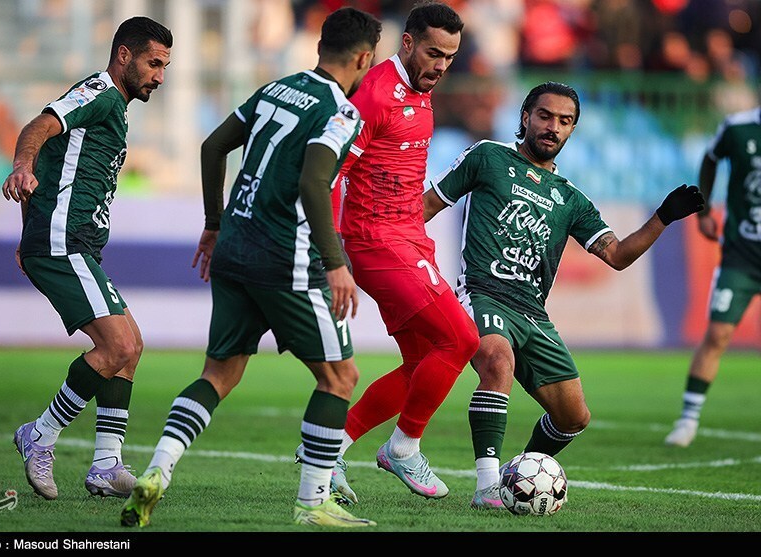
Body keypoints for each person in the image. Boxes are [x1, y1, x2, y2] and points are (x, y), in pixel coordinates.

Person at [119, 7, 382, 529]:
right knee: (340, 376)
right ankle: (313, 503)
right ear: (364, 59)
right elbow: (313, 182)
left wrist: (214, 223)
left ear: (319, 47)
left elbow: (213, 145)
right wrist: (336, 264)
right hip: (285, 260)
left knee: (218, 374)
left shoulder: (275, 90)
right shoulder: (341, 112)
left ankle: (156, 471)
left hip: (234, 249)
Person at [422, 81, 705, 509]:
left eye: (565, 121)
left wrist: (662, 217)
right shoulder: (488, 157)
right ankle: (487, 487)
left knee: (573, 417)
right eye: (545, 116)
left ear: (572, 129)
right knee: (497, 360)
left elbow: (617, 255)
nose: (553, 126)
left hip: (532, 314)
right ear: (525, 117)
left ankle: (518, 475)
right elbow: (427, 206)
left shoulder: (571, 200)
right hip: (482, 294)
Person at [297, 0, 479, 504]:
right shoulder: (374, 95)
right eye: (433, 53)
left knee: (423, 361)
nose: (441, 66)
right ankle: (403, 446)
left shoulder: (422, 91)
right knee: (461, 340)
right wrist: (334, 254)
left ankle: (328, 450)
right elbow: (332, 174)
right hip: (376, 242)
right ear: (407, 43)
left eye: (450, 57)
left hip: (409, 238)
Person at [2, 16, 173, 501]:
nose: (160, 76)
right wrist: (21, 165)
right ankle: (39, 435)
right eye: (153, 63)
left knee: (131, 347)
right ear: (124, 55)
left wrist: (26, 230)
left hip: (70, 242)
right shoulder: (99, 91)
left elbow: (52, 161)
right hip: (63, 242)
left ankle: (105, 464)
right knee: (117, 346)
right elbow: (39, 127)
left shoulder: (115, 107)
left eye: (164, 66)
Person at [664, 106, 761, 448]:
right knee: (718, 333)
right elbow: (710, 158)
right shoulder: (738, 128)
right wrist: (703, 210)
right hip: (741, 255)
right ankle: (687, 420)